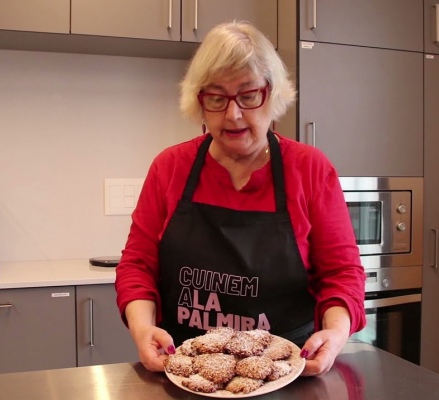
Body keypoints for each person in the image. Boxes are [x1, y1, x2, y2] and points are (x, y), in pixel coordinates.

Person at [115, 20, 365, 377]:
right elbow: (138, 265)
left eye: (248, 96)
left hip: (287, 368)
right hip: (186, 369)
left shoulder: (309, 169)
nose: (232, 114)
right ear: (199, 103)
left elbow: (342, 273)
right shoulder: (170, 167)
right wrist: (142, 329)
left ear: (273, 94)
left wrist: (336, 333)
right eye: (216, 98)